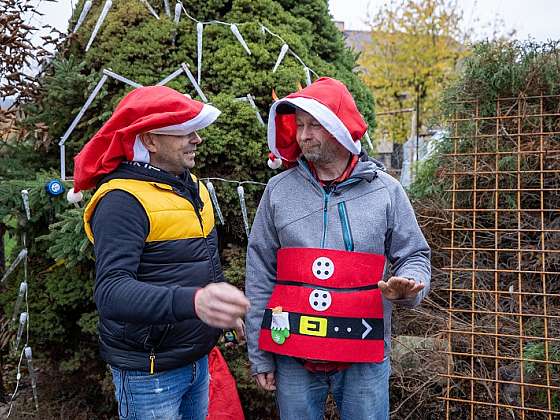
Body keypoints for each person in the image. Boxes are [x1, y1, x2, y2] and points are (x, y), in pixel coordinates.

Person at [245, 77, 431, 420]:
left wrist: (407, 288)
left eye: (314, 125)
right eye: (299, 125)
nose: (303, 135)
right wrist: (259, 353)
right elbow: (260, 272)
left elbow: (414, 255)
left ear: (340, 128)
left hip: (363, 354)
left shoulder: (386, 191)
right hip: (293, 355)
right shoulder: (277, 191)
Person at [74, 86, 249, 420]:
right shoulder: (121, 201)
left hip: (196, 359)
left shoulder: (192, 186)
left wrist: (221, 312)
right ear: (150, 140)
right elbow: (111, 292)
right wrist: (196, 301)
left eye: (195, 130)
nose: (196, 139)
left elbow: (200, 263)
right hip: (150, 374)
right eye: (184, 132)